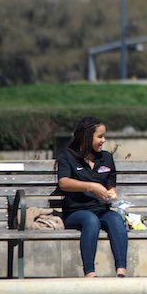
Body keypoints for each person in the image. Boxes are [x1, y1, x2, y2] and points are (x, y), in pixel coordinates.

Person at [56, 116, 127, 277]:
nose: (104, 140)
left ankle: (121, 271)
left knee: (116, 219)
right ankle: (90, 272)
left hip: (101, 209)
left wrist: (111, 194)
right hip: (76, 211)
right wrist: (92, 186)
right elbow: (64, 183)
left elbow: (110, 184)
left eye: (104, 136)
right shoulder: (67, 156)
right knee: (90, 220)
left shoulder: (106, 157)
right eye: (100, 136)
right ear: (87, 137)